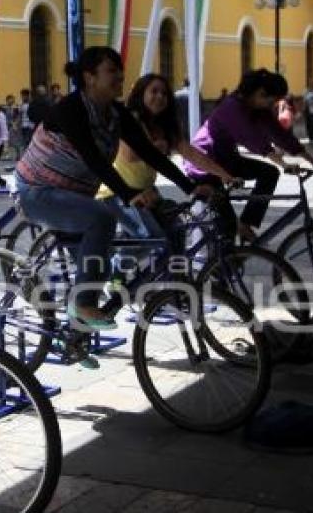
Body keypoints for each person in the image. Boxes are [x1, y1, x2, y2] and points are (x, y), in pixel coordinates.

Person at [15, 47, 206, 329]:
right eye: (112, 71)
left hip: (76, 195)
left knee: (99, 266)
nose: (120, 76)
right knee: (101, 219)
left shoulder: (116, 113)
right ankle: (83, 305)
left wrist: (190, 187)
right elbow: (93, 158)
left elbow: (150, 153)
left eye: (120, 70)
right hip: (38, 191)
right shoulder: (71, 109)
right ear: (90, 77)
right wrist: (129, 194)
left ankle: (74, 335)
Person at [184, 68, 313, 242]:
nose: (273, 105)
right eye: (273, 100)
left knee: (269, 173)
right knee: (228, 227)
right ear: (260, 93)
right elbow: (254, 139)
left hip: (227, 160)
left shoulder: (258, 108)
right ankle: (222, 261)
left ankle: (246, 223)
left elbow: (280, 135)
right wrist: (283, 165)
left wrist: (312, 161)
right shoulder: (232, 107)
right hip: (204, 163)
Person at [96, 73, 236, 240]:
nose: (160, 97)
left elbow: (192, 154)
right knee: (149, 240)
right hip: (119, 193)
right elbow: (129, 155)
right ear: (141, 94)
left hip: (147, 191)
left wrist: (224, 175)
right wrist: (159, 146)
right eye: (154, 91)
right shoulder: (131, 120)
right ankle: (114, 265)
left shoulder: (164, 126)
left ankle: (171, 267)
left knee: (176, 233)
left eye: (164, 93)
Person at [18, 88, 33, 155]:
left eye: (24, 95)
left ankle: (29, 154)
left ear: (27, 95)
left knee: (28, 140)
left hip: (30, 125)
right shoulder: (21, 104)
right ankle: (26, 153)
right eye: (22, 95)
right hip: (23, 125)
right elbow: (20, 114)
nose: (23, 97)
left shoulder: (32, 103)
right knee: (24, 140)